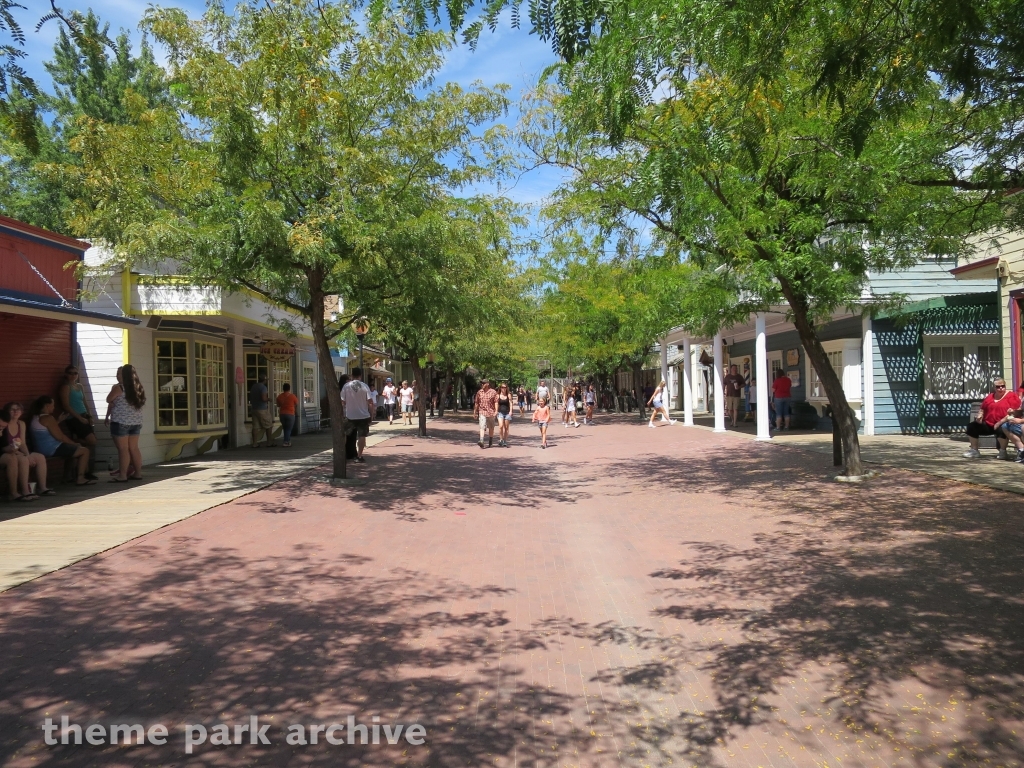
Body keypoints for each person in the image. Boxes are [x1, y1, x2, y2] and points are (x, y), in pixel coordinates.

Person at [29, 395, 93, 485]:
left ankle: (66, 477)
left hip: (40, 448)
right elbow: (60, 437)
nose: (54, 407)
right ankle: (81, 478)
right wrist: (74, 444)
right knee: (84, 451)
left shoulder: (36, 418)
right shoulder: (48, 418)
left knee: (71, 450)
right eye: (53, 405)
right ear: (47, 406)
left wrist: (58, 421)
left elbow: (47, 430)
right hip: (51, 449)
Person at [1, 403, 53, 501]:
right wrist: (23, 455)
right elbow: (4, 446)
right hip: (10, 452)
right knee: (23, 459)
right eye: (12, 410)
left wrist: (28, 455)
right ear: (7, 412)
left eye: (18, 409)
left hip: (17, 451)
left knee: (39, 457)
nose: (16, 412)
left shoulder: (21, 424)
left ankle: (42, 488)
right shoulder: (4, 424)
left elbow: (23, 443)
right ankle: (25, 491)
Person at [105, 364, 146, 481]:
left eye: (120, 374)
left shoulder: (119, 387)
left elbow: (108, 399)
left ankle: (122, 475)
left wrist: (112, 404)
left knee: (123, 449)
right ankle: (138, 473)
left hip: (120, 422)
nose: (117, 376)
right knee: (134, 448)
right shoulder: (138, 387)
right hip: (136, 422)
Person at [58, 365, 98, 480]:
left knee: (87, 444)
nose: (73, 375)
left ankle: (84, 471)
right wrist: (79, 418)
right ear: (66, 374)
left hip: (84, 416)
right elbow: (66, 405)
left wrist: (89, 416)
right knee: (91, 440)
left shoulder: (79, 386)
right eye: (70, 373)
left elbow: (85, 402)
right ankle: (74, 442)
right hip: (74, 418)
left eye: (75, 373)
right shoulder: (65, 387)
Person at [964, 377, 1020, 458]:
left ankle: (1002, 451)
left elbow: (1014, 413)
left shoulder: (1012, 396)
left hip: (1004, 423)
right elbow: (982, 409)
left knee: (1002, 428)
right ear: (994, 388)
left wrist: (999, 422)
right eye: (998, 386)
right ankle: (974, 450)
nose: (1000, 388)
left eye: (1002, 386)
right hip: (989, 423)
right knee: (972, 426)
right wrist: (979, 416)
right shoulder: (990, 397)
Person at [340, 366, 375, 462]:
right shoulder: (364, 386)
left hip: (350, 415)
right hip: (363, 415)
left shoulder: (346, 386)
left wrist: (343, 412)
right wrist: (371, 414)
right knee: (362, 436)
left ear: (352, 375)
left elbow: (342, 401)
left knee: (346, 435)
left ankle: (342, 453)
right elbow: (370, 402)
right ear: (360, 375)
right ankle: (359, 456)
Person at [249, 374, 276, 447]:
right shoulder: (263, 387)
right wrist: (269, 399)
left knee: (255, 427)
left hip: (254, 408)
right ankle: (269, 442)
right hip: (262, 409)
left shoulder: (254, 386)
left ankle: (254, 443)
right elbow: (264, 398)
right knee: (269, 424)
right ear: (265, 380)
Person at [474, 378, 499, 448]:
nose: (482, 385)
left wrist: (496, 411)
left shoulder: (493, 392)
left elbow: (496, 402)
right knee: (482, 426)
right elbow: (476, 403)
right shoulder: (479, 392)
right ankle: (481, 440)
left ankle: (490, 440)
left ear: (487, 384)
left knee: (491, 427)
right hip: (482, 411)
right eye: (481, 383)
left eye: (483, 383)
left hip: (491, 412)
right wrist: (475, 412)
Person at [276, 383, 299, 447]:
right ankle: (286, 442)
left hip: (282, 414)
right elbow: (296, 404)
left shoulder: (279, 396)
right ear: (289, 389)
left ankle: (288, 441)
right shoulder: (292, 396)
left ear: (283, 389)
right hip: (290, 414)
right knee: (288, 429)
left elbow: (278, 405)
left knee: (285, 428)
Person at [496, 382, 513, 447]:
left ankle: (505, 440)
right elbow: (496, 403)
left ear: (506, 388)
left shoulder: (508, 395)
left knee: (506, 427)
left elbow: (511, 403)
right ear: (500, 388)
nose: (504, 389)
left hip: (507, 412)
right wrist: (496, 410)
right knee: (500, 426)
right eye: (502, 387)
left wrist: (511, 411)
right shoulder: (498, 395)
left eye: (505, 387)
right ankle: (501, 439)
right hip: (500, 412)